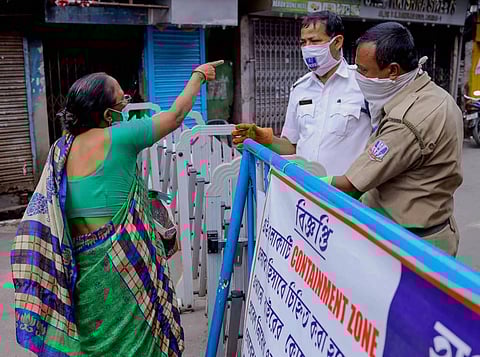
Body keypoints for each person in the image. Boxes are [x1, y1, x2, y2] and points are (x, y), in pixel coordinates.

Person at [11, 60, 223, 356]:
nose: (128, 103)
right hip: (124, 267)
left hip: (83, 269)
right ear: (108, 112)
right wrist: (198, 76)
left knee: (94, 343)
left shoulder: (61, 148)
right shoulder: (121, 138)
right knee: (135, 342)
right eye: (123, 99)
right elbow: (175, 116)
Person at [322, 22, 463, 256]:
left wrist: (298, 180)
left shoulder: (406, 121)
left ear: (393, 71)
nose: (358, 76)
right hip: (434, 230)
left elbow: (351, 186)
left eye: (364, 70)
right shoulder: (434, 95)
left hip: (411, 244)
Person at [232, 11, 372, 176]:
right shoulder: (300, 88)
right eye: (303, 42)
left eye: (314, 41)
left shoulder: (364, 82)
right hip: (304, 193)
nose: (307, 48)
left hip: (345, 198)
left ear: (337, 42)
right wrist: (266, 139)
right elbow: (291, 145)